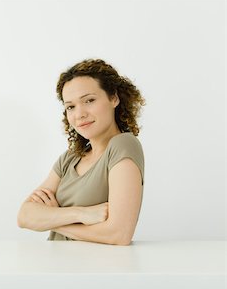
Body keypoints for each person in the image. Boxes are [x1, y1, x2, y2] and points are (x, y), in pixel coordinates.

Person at [17, 58, 146, 245]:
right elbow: (24, 216)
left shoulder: (123, 145)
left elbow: (119, 234)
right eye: (71, 106)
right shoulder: (69, 159)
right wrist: (82, 214)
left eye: (89, 100)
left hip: (93, 272)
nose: (79, 114)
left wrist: (52, 220)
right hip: (56, 267)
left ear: (114, 98)